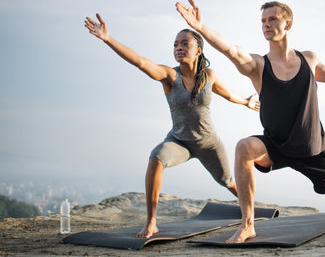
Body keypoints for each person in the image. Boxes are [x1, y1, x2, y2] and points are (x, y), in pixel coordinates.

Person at [176, 0, 325, 243]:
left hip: (312, 149)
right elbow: (231, 50)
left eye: (273, 19)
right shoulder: (258, 65)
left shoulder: (309, 60)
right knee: (244, 148)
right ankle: (247, 225)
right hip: (275, 145)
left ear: (288, 24)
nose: (266, 25)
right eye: (263, 21)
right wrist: (201, 27)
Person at [84, 13, 260, 239]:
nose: (178, 48)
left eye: (185, 43)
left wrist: (246, 101)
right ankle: (151, 222)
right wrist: (108, 39)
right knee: (156, 157)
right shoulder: (169, 75)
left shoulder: (209, 75)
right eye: (175, 44)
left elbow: (227, 94)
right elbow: (140, 62)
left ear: (198, 50)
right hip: (179, 142)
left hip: (209, 143)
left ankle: (249, 211)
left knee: (227, 181)